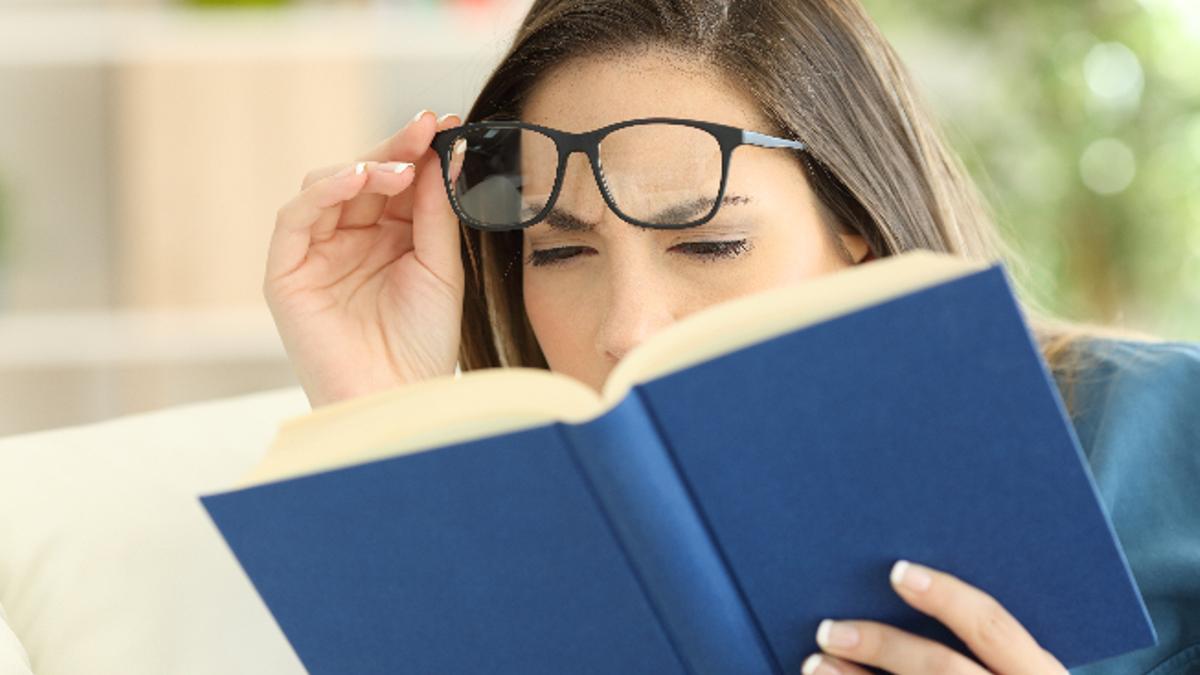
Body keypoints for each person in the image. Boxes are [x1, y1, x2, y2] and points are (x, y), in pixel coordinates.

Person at [262, 0, 1200, 673]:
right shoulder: (522, 553)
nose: (628, 325)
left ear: (854, 217)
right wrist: (384, 420)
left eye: (709, 241)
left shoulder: (1170, 433)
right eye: (557, 252)